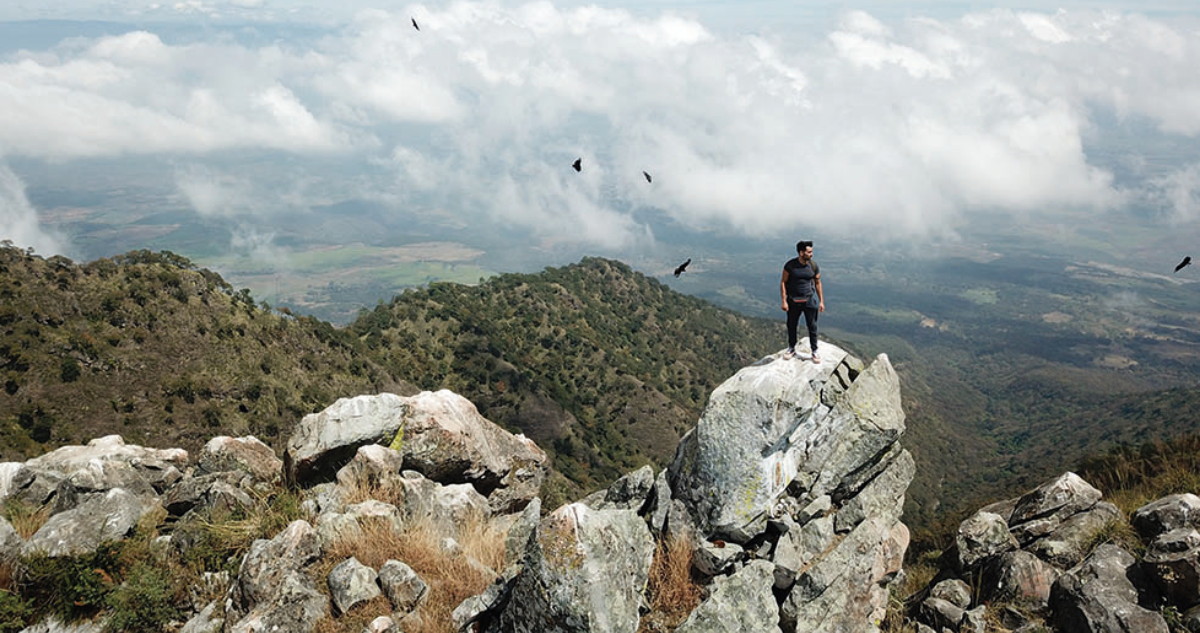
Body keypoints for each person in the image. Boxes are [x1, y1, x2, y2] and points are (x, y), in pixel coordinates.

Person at [780, 240, 824, 362]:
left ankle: (814, 351)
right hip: (793, 301)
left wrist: (821, 301)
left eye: (811, 252)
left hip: (809, 300)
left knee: (812, 326)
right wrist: (784, 301)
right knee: (792, 325)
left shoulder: (813, 266)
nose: (811, 254)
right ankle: (791, 348)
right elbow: (783, 282)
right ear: (801, 252)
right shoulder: (790, 266)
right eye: (809, 252)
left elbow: (818, 283)